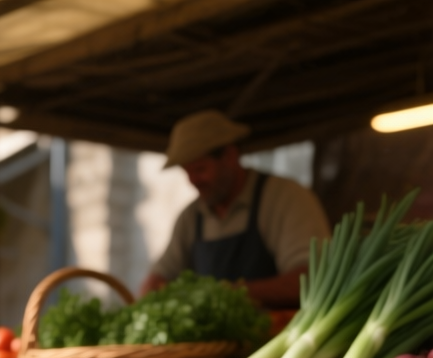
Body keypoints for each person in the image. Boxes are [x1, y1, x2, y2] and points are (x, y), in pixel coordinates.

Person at [141, 110, 330, 311]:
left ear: (230, 156)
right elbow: (157, 280)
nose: (193, 181)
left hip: (281, 335)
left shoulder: (285, 197)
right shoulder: (191, 217)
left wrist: (225, 293)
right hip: (213, 343)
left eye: (200, 170)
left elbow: (312, 278)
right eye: (187, 172)